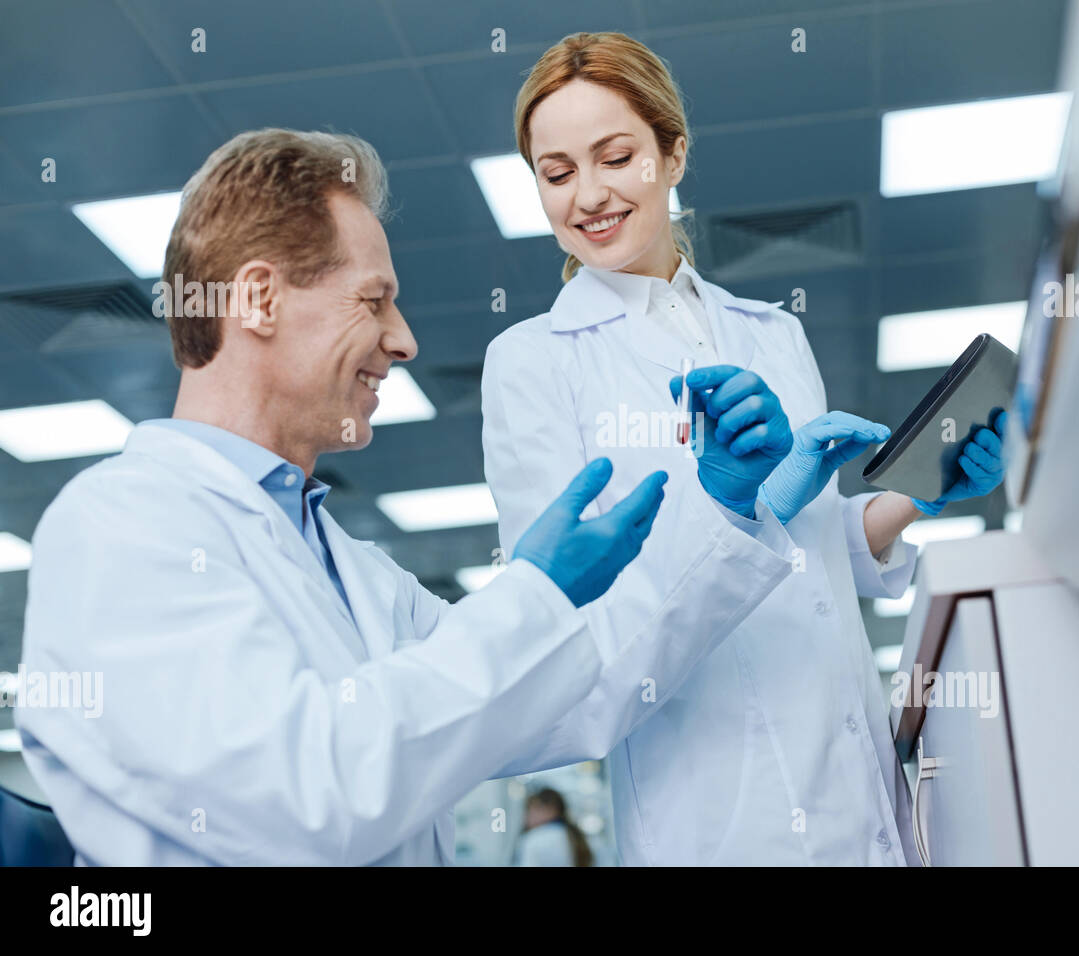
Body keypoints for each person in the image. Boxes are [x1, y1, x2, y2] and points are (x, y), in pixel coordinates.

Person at [15, 128, 799, 866]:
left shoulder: (354, 571)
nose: (404, 339)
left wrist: (722, 514)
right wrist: (536, 595)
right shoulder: (121, 525)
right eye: (373, 299)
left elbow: (571, 693)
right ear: (257, 299)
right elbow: (312, 795)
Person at [482, 33, 1008, 865]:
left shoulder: (772, 332)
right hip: (718, 812)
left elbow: (809, 551)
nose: (588, 195)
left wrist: (919, 491)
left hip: (858, 783)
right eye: (556, 173)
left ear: (674, 153)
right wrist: (739, 504)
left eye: (616, 157)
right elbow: (561, 624)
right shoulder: (534, 361)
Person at [517, 788, 594, 867]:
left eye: (533, 809)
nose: (528, 815)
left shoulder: (533, 839)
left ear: (551, 809)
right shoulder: (572, 835)